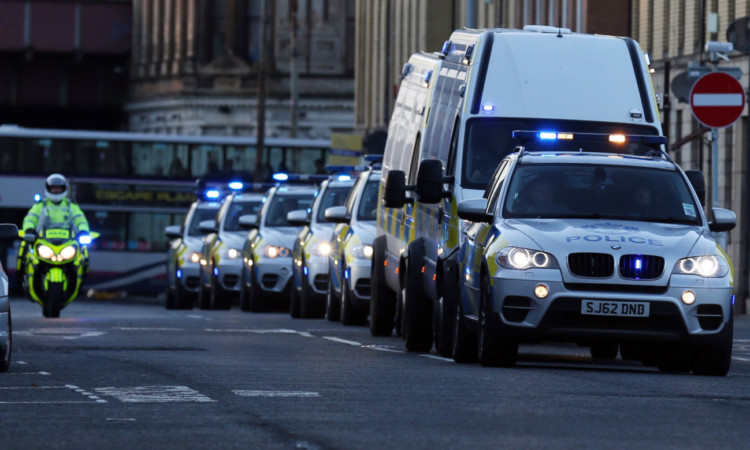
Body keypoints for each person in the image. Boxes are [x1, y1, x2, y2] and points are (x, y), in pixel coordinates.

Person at [18, 174, 91, 276]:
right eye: (53, 188)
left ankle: (82, 279)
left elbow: (80, 219)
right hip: (44, 241)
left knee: (83, 254)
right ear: (48, 189)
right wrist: (29, 229)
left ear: (64, 189)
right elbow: (30, 218)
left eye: (58, 188)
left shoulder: (71, 206)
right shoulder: (40, 205)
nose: (56, 191)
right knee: (26, 249)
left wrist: (83, 231)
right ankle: (20, 274)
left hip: (67, 243)